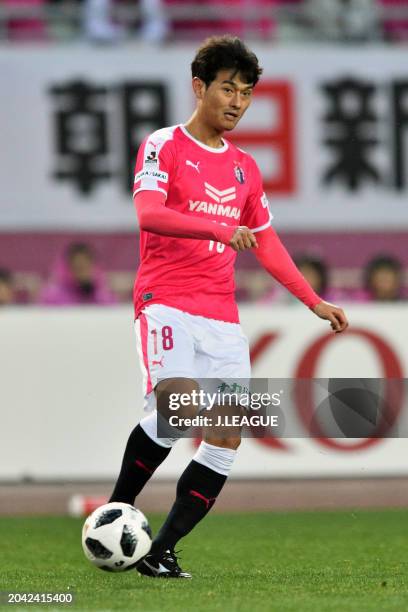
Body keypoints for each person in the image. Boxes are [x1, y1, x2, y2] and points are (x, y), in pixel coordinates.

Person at [109, 35, 348, 579]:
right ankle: (116, 509)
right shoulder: (162, 145)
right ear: (199, 88)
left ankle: (161, 551)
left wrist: (312, 300)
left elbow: (266, 241)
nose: (237, 102)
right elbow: (149, 213)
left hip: (221, 317)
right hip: (166, 301)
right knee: (179, 409)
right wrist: (219, 227)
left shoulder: (245, 168)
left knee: (226, 431)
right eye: (227, 89)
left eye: (245, 92)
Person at [39, 242, 117, 306]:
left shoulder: (103, 295)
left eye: (85, 266)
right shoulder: (52, 296)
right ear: (66, 268)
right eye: (77, 267)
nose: (81, 272)